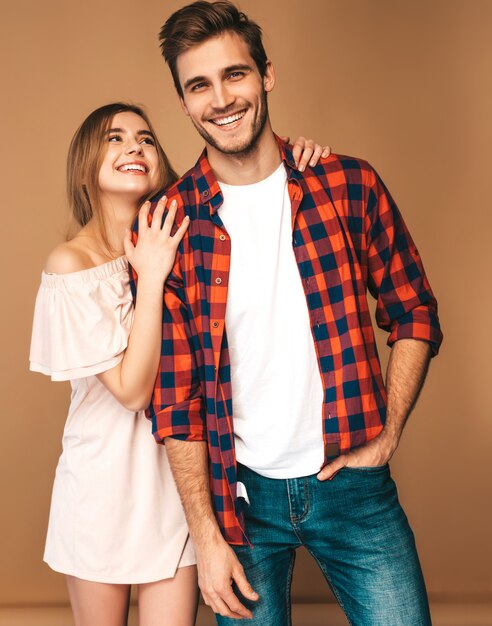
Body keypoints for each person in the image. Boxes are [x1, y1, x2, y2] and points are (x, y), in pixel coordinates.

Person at [130, 2, 444, 625]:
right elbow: (176, 397)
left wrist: (388, 434)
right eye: (199, 85)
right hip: (239, 500)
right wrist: (208, 534)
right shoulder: (172, 223)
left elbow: (414, 310)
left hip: (353, 488)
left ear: (266, 74)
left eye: (235, 75)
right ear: (184, 102)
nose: (221, 99)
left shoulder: (346, 184)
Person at [29, 101, 328, 626]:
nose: (134, 147)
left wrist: (299, 157)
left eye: (144, 138)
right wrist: (149, 276)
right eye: (114, 138)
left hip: (182, 484)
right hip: (102, 485)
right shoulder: (71, 264)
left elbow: (251, 183)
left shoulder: (184, 233)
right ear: (86, 166)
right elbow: (131, 392)